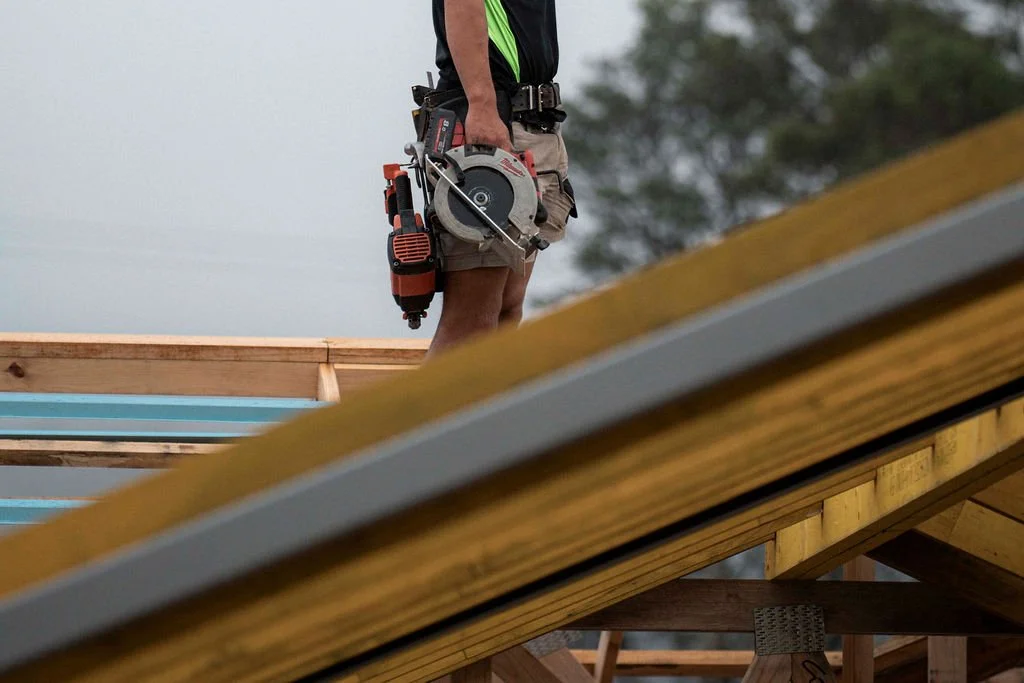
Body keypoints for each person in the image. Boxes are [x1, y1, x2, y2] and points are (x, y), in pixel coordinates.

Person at [424, 0, 576, 357]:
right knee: (472, 322)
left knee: (507, 307)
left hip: (530, 124)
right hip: (497, 124)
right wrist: (481, 106)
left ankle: (485, 412)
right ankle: (430, 414)